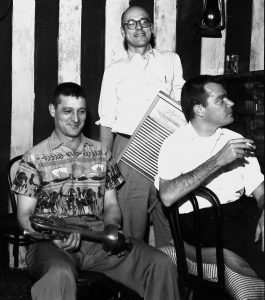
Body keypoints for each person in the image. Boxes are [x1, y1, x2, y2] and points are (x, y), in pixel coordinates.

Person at [12, 82, 180, 300]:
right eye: (67, 111)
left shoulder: (102, 153)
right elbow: (24, 216)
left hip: (97, 240)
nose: (75, 119)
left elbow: (111, 205)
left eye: (81, 111)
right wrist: (53, 237)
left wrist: (111, 228)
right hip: (49, 244)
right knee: (59, 274)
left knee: (161, 263)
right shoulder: (33, 157)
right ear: (53, 110)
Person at [155, 75, 264, 280]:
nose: (230, 103)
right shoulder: (174, 144)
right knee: (253, 249)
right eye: (221, 100)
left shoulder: (235, 139)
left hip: (239, 210)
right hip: (199, 219)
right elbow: (168, 196)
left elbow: (260, 189)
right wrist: (218, 160)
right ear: (199, 109)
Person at [97, 5, 185, 246]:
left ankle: (171, 278)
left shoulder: (171, 60)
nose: (138, 28)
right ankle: (128, 279)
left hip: (167, 146)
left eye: (144, 22)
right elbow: (106, 122)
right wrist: (107, 165)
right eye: (131, 23)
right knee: (131, 224)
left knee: (170, 219)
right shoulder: (114, 71)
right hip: (128, 151)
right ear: (123, 31)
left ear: (152, 28)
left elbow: (182, 106)